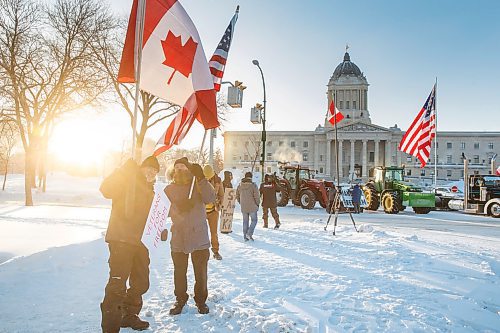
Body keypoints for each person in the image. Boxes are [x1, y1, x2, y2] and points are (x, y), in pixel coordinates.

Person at [99, 156, 160, 333]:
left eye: (155, 170)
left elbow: (151, 219)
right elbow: (106, 189)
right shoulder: (126, 181)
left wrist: (158, 230)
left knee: (141, 282)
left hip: (141, 244)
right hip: (121, 240)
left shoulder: (151, 192)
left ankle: (129, 315)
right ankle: (110, 327)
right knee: (117, 285)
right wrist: (123, 171)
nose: (151, 172)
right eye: (148, 168)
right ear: (141, 168)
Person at [165, 157, 215, 315]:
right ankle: (180, 299)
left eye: (183, 167)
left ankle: (201, 301)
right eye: (177, 167)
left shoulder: (198, 185)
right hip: (179, 237)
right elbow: (163, 211)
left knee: (200, 271)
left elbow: (210, 198)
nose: (180, 169)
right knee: (179, 271)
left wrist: (201, 179)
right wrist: (177, 208)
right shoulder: (169, 189)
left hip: (198, 236)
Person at [203, 165, 224, 260]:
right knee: (201, 232)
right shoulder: (199, 180)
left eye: (209, 177)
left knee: (214, 233)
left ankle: (215, 251)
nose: (207, 179)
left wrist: (218, 204)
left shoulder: (218, 181)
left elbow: (221, 195)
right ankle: (201, 251)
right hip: (201, 211)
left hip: (213, 211)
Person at [236, 171, 260, 241]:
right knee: (254, 220)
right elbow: (257, 197)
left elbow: (237, 195)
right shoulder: (253, 185)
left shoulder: (240, 185)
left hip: (244, 206)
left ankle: (245, 236)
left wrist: (241, 202)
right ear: (251, 177)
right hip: (252, 206)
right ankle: (249, 234)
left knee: (245, 221)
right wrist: (257, 204)